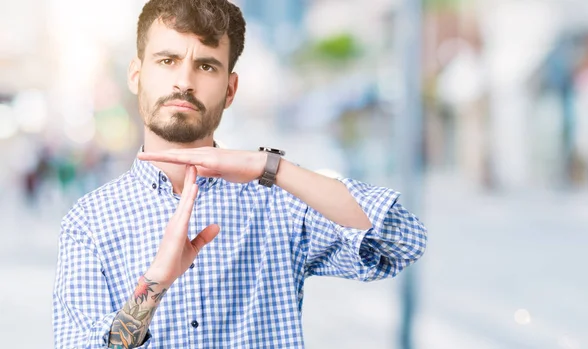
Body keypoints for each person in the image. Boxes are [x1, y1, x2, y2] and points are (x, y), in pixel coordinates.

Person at [52, 0, 428, 348]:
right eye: (167, 60)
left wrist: (271, 168)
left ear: (230, 89)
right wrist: (155, 284)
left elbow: (400, 241)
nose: (184, 81)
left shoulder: (277, 201)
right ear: (136, 75)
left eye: (206, 65)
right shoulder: (89, 223)